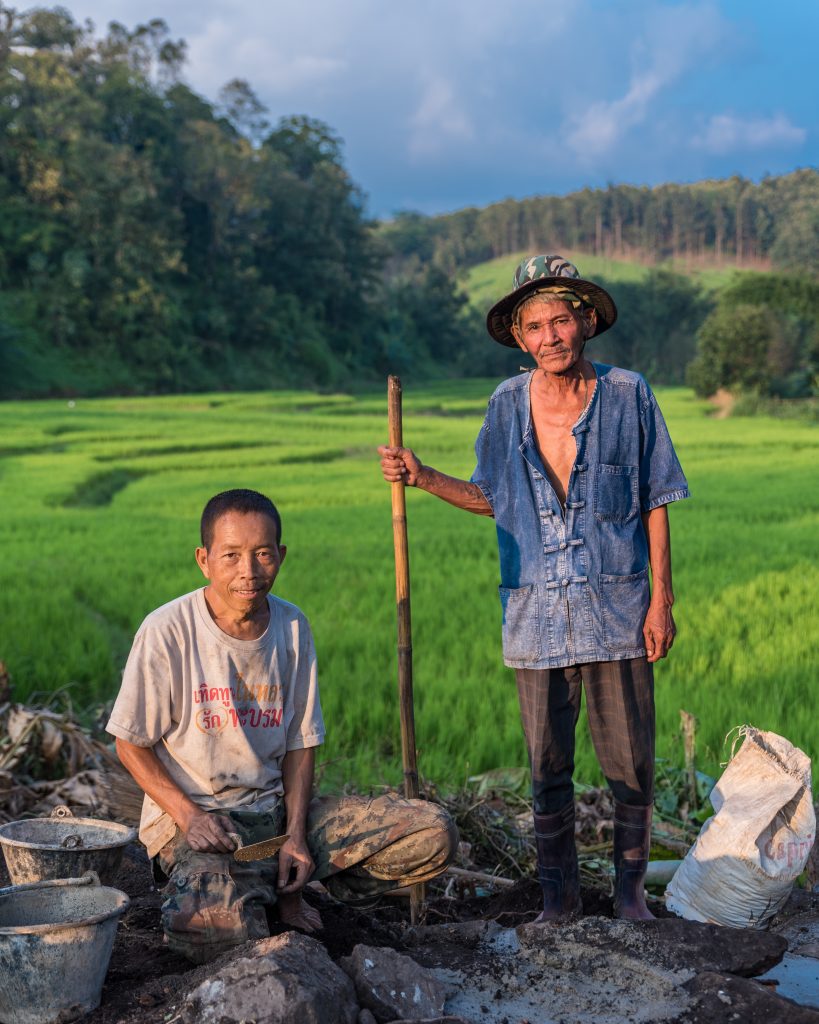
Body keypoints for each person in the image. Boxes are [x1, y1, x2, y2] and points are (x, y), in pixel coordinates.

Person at [379, 255, 689, 922]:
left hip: (618, 609)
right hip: (535, 614)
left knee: (630, 765)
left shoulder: (629, 395)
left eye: (560, 321)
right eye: (534, 327)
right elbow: (494, 497)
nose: (549, 336)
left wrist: (661, 599)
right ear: (520, 339)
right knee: (547, 767)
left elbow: (656, 497)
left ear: (585, 323)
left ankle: (630, 897)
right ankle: (559, 899)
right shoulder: (503, 406)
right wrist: (422, 474)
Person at [107, 488, 456, 963]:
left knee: (432, 832)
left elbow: (300, 743)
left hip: (276, 817)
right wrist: (189, 816)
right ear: (203, 560)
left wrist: (295, 836)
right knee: (213, 928)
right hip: (202, 824)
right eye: (230, 556)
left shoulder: (292, 627)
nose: (248, 571)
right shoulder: (167, 630)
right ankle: (252, 894)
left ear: (281, 556)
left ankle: (286, 881)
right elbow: (130, 744)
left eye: (262, 554)